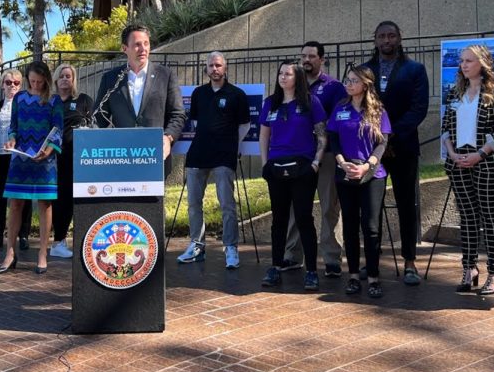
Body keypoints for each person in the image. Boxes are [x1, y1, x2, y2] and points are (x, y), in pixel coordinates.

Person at [441, 45, 494, 295]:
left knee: (491, 217)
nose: (464, 65)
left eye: (469, 60)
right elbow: (446, 127)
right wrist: (452, 153)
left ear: (483, 63)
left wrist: (480, 154)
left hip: (488, 162)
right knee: (468, 217)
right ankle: (469, 268)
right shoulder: (455, 92)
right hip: (458, 161)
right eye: (462, 61)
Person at [363, 21, 429, 286]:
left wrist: (391, 134)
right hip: (371, 149)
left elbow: (419, 108)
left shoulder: (415, 70)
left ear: (399, 38)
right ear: (375, 40)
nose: (386, 40)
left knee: (406, 205)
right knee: (371, 208)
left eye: (391, 35)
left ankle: (410, 262)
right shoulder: (365, 70)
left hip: (404, 147)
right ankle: (372, 262)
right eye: (381, 36)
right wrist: (378, 137)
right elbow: (359, 106)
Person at [177, 52, 251, 269]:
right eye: (211, 66)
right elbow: (196, 122)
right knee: (193, 204)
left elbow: (245, 125)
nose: (214, 69)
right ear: (206, 69)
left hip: (224, 156)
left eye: (218, 65)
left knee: (227, 204)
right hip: (198, 154)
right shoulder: (198, 93)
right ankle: (197, 246)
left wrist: (230, 143)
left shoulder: (237, 94)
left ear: (225, 68)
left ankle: (230, 247)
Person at [259, 61, 327, 291]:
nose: (283, 77)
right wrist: (265, 164)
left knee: (303, 218)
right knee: (278, 220)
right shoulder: (271, 103)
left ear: (297, 77)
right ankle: (275, 267)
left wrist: (315, 163)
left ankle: (311, 271)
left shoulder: (310, 101)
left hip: (303, 167)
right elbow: (264, 136)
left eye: (288, 73)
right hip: (276, 167)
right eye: (280, 73)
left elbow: (322, 135)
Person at [282, 41, 348, 277]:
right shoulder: (293, 85)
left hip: (326, 155)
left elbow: (339, 118)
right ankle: (292, 255)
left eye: (311, 56)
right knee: (296, 206)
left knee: (330, 205)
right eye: (303, 56)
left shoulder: (334, 87)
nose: (306, 60)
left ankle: (331, 258)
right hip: (298, 155)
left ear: (322, 59)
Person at [328, 66, 392, 298]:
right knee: (350, 226)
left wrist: (367, 166)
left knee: (371, 228)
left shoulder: (378, 110)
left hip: (372, 175)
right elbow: (333, 139)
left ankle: (373, 277)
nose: (349, 84)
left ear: (365, 84)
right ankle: (354, 276)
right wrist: (342, 162)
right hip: (345, 173)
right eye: (347, 80)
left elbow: (382, 143)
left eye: (354, 81)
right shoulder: (340, 108)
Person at [0, 62, 63, 275]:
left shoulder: (54, 100)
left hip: (45, 159)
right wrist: (11, 140)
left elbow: (58, 129)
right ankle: (10, 253)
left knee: (44, 204)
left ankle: (43, 253)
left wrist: (49, 150)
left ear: (46, 79)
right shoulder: (19, 98)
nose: (35, 84)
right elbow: (13, 127)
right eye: (32, 81)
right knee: (15, 204)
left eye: (39, 81)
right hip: (21, 158)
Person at [94, 24, 186, 168]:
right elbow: (99, 118)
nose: (143, 49)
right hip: (121, 159)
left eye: (146, 43)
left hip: (155, 157)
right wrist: (87, 135)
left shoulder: (165, 75)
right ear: (124, 48)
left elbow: (178, 114)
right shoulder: (110, 78)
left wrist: (168, 137)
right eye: (137, 44)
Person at [51, 63, 93, 259]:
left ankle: (84, 241)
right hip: (55, 159)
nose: (65, 79)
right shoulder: (50, 101)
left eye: (68, 76)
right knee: (60, 200)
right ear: (56, 80)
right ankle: (58, 242)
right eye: (61, 76)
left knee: (80, 199)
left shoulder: (83, 100)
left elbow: (94, 126)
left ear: (74, 79)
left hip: (80, 160)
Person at [0, 70, 33, 251]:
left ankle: (23, 235)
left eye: (16, 83)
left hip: (20, 157)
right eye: (8, 82)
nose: (12, 85)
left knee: (23, 197)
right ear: (2, 85)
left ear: (21, 85)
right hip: (0, 156)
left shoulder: (27, 106)